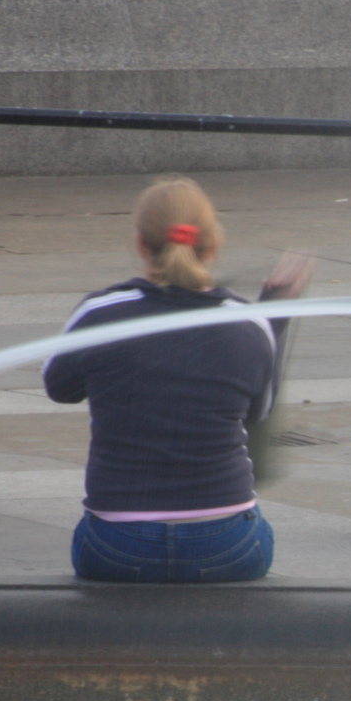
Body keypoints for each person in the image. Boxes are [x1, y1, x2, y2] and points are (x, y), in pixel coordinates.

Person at [43, 178, 280, 582]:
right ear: (214, 244)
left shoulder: (101, 314)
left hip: (116, 544)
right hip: (227, 544)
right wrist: (277, 317)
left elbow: (59, 387)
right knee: (258, 533)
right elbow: (260, 411)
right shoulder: (249, 322)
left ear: (140, 243)